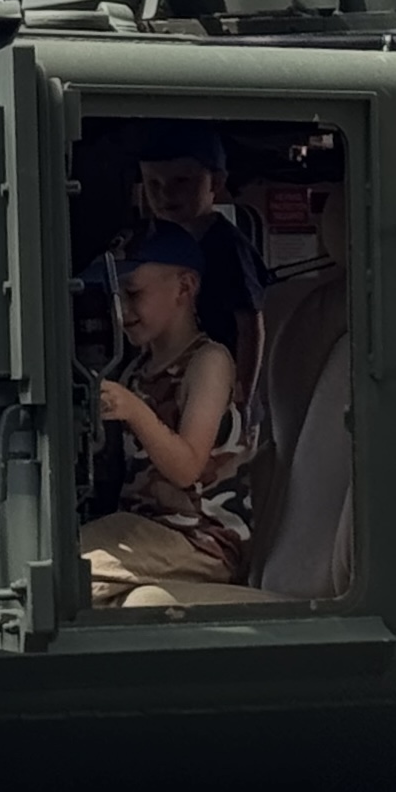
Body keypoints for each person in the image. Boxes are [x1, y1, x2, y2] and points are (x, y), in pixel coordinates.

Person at [78, 222, 257, 605]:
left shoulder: (209, 362)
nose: (121, 311)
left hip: (202, 540)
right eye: (115, 296)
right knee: (53, 554)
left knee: (67, 574)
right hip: (145, 527)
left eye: (133, 293)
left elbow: (187, 468)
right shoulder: (136, 368)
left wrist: (133, 410)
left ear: (184, 287)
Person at [133, 122, 265, 406]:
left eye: (181, 181)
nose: (166, 194)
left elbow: (250, 326)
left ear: (215, 182)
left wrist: (241, 395)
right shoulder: (157, 246)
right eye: (153, 184)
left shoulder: (228, 247)